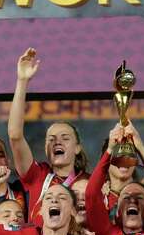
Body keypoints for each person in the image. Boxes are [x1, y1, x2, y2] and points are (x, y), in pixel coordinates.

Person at [6, 48, 89, 224]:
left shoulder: (89, 183)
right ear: (45, 148)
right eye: (51, 139)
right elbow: (15, 135)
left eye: (65, 138)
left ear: (77, 148)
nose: (57, 141)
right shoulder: (38, 175)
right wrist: (22, 81)